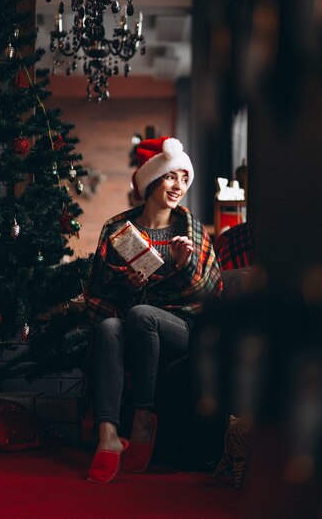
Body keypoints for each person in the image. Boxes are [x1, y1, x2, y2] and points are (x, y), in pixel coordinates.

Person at [83, 136, 222, 483]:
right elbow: (98, 292)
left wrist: (181, 266)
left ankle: (143, 418)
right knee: (109, 328)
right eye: (171, 177)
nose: (179, 186)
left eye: (184, 178)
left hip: (183, 330)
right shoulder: (117, 230)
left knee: (141, 314)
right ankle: (108, 435)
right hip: (133, 324)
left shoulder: (192, 232)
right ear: (152, 180)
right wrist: (130, 282)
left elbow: (208, 294)